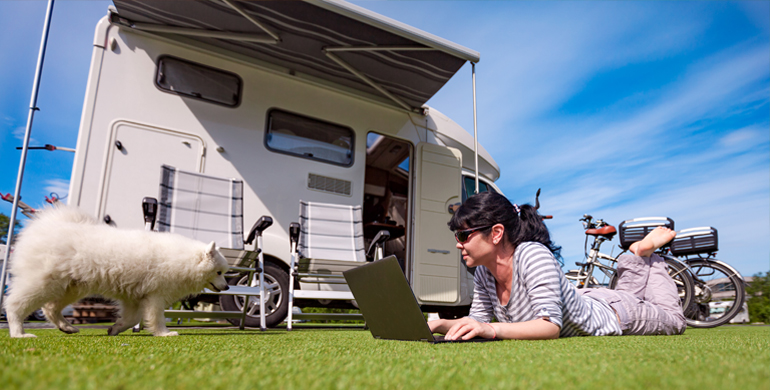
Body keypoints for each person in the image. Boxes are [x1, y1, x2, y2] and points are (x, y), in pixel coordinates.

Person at [428, 191, 686, 340]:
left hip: (618, 315)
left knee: (675, 321)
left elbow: (550, 326)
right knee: (629, 291)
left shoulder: (531, 254)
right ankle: (637, 256)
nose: (458, 244)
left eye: (464, 235)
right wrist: (437, 326)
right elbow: (476, 322)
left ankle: (642, 253)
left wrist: (491, 329)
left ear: (496, 233)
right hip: (586, 298)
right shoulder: (484, 272)